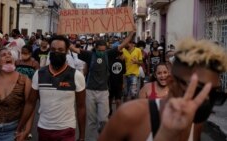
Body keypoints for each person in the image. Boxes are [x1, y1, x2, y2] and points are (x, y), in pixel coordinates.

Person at [98, 38, 227, 141]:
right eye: (198, 90)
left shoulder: (196, 122)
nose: (205, 100)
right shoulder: (130, 115)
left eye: (214, 94)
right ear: (172, 82)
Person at [16, 35, 86, 141]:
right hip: (43, 129)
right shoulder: (39, 74)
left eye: (60, 50)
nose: (56, 52)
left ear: (67, 51)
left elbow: (81, 107)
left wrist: (81, 137)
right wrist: (20, 127)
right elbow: (30, 103)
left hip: (66, 130)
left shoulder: (77, 76)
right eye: (53, 49)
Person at [69, 32, 135, 141]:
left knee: (103, 120)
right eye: (99, 50)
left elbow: (123, 44)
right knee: (91, 121)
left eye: (103, 50)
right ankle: (91, 139)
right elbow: (74, 49)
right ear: (95, 48)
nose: (102, 52)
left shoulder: (108, 54)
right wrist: (62, 37)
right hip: (90, 91)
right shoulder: (89, 55)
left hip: (104, 92)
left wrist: (132, 34)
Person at [108, 50, 126, 116]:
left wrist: (123, 83)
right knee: (109, 99)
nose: (123, 56)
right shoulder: (110, 60)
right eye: (121, 55)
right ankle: (110, 110)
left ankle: (118, 114)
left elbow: (124, 73)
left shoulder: (123, 61)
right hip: (110, 83)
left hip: (119, 83)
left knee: (118, 100)